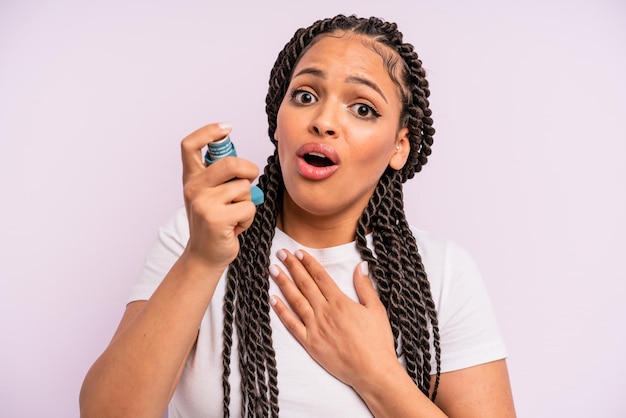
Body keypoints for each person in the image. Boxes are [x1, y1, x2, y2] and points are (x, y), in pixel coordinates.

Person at [80, 14, 516, 418]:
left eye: (362, 108)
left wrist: (375, 374)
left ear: (399, 146)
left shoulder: (441, 273)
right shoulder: (194, 239)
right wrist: (203, 259)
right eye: (305, 95)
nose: (324, 121)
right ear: (277, 120)